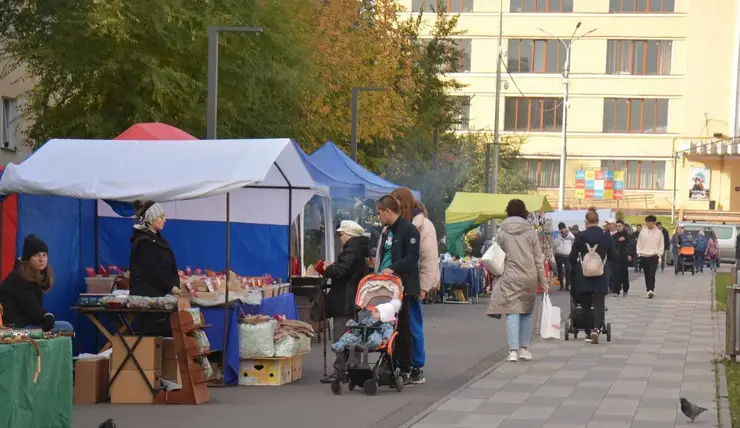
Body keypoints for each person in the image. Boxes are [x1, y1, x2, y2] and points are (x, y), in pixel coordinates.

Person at [486, 199, 548, 362]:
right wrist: (544, 281)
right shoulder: (531, 231)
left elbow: (497, 255)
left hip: (510, 276)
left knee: (512, 312)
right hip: (529, 276)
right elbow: (538, 259)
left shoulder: (502, 231)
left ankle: (512, 350)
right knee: (526, 313)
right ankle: (525, 349)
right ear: (524, 212)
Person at [374, 195, 420, 382]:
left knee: (403, 326)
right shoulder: (387, 231)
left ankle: (406, 366)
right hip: (384, 285)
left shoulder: (408, 229)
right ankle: (389, 363)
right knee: (386, 325)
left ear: (387, 211)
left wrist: (393, 268)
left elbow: (412, 258)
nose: (379, 217)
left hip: (402, 286)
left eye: (379, 213)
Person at [319, 220, 370, 373]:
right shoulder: (359, 249)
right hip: (352, 297)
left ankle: (343, 368)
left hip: (344, 299)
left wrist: (329, 267)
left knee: (342, 334)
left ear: (348, 234)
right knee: (352, 332)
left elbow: (341, 272)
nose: (340, 237)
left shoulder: (350, 251)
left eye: (341, 234)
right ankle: (352, 366)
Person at [0, 235, 73, 332]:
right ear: (28, 258)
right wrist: (47, 317)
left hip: (22, 322)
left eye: (44, 255)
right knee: (66, 327)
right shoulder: (19, 277)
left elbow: (34, 309)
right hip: (13, 326)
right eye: (36, 255)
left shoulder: (31, 275)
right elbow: (33, 314)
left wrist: (46, 316)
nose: (41, 259)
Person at [569, 209, 615, 344]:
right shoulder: (606, 236)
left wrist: (576, 265)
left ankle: (588, 331)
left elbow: (572, 257)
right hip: (601, 275)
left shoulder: (580, 236)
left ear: (586, 221)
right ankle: (596, 329)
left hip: (584, 276)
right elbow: (613, 256)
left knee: (585, 305)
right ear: (598, 220)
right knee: (599, 303)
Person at [331, 299, 400, 353]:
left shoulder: (387, 324)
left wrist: (385, 338)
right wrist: (355, 326)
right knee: (349, 336)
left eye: (376, 311)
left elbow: (388, 331)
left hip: (375, 335)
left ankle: (369, 344)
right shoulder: (369, 318)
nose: (372, 312)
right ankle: (340, 344)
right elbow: (362, 324)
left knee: (375, 339)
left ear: (384, 315)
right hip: (362, 334)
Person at [637, 215, 664, 299]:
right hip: (644, 256)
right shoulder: (643, 232)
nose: (649, 223)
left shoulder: (659, 233)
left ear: (654, 223)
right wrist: (639, 254)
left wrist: (659, 254)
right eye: (647, 222)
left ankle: (651, 290)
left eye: (651, 222)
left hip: (653, 256)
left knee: (652, 273)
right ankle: (648, 289)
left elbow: (661, 244)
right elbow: (639, 244)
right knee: (646, 274)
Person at [611, 220, 633, 297]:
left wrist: (630, 255)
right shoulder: (614, 236)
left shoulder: (628, 236)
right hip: (616, 258)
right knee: (616, 274)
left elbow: (631, 245)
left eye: (620, 226)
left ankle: (625, 289)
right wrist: (618, 240)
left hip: (624, 257)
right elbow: (612, 246)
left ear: (623, 226)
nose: (618, 228)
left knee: (624, 274)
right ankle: (616, 291)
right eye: (617, 226)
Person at [553, 222, 574, 291]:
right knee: (560, 271)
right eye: (560, 229)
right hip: (558, 255)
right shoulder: (557, 235)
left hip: (568, 255)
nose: (562, 230)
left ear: (565, 228)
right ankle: (561, 286)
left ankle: (567, 286)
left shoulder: (571, 235)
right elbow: (555, 244)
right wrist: (560, 236)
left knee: (568, 270)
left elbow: (574, 244)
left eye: (563, 228)